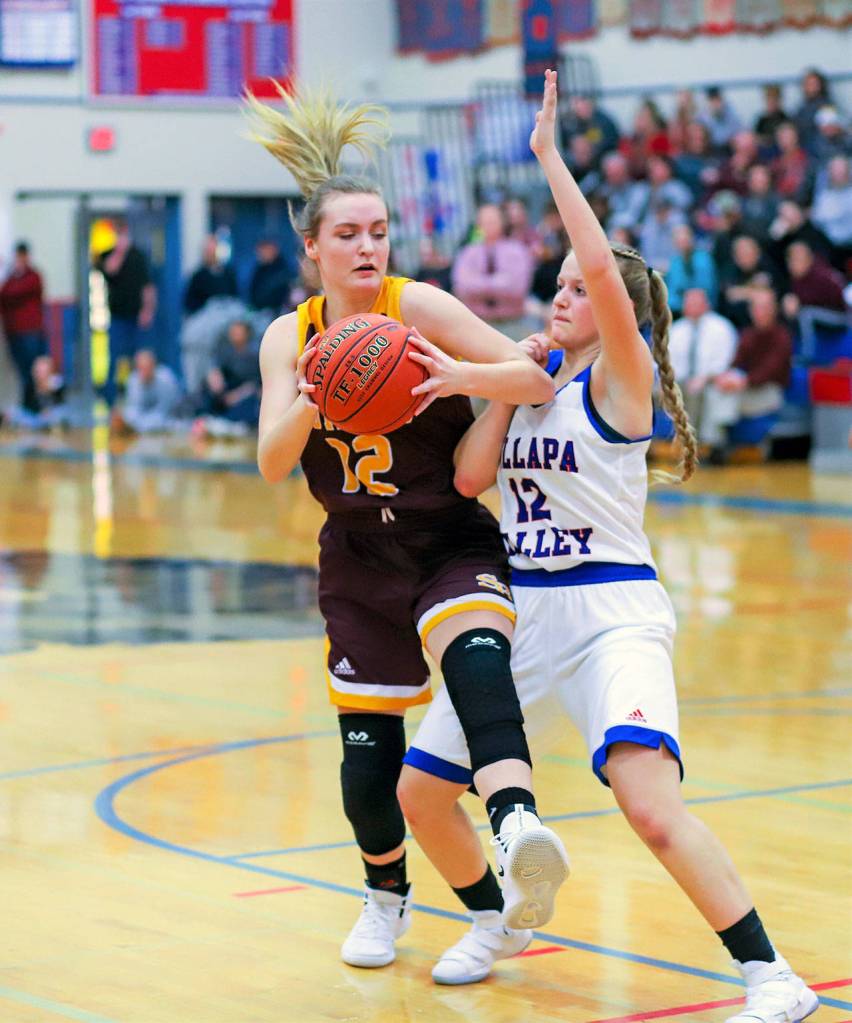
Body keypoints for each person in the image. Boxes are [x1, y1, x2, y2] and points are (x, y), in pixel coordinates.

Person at [400, 70, 818, 1020]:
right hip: (526, 610)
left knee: (648, 804)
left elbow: (599, 271)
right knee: (423, 792)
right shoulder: (534, 377)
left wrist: (549, 158)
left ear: (611, 311)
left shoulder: (619, 387)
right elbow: (471, 479)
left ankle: (771, 976)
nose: (558, 299)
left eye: (572, 292)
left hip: (612, 612)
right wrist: (504, 383)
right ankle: (501, 916)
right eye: (549, 290)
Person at [245, 83, 567, 976]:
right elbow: (275, 463)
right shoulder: (290, 337)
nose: (366, 246)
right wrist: (314, 395)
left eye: (378, 231)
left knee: (476, 665)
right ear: (311, 246)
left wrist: (455, 371)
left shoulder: (414, 306)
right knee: (369, 769)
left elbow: (532, 377)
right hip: (357, 556)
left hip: (445, 537)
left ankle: (516, 828)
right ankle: (390, 899)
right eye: (347, 234)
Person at [702, 289, 792, 461]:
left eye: (765, 307)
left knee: (726, 397)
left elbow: (770, 370)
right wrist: (725, 377)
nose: (761, 312)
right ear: (751, 311)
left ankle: (717, 444)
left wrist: (743, 381)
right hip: (746, 389)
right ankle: (715, 443)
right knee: (717, 390)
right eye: (757, 308)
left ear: (774, 310)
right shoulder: (748, 335)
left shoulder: (782, 336)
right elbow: (736, 362)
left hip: (771, 392)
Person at [96, 219, 157, 406]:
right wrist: (119, 252)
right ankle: (110, 398)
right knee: (114, 357)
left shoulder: (138, 256)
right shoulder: (108, 255)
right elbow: (110, 271)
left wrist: (148, 310)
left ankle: (136, 397)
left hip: (136, 317)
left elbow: (148, 286)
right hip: (117, 316)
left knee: (138, 357)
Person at [451, 203, 535, 340]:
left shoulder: (517, 251)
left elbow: (517, 288)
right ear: (478, 225)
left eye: (492, 221)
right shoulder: (468, 253)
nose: (488, 225)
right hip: (478, 324)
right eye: (484, 222)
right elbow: (462, 287)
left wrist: (478, 283)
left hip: (512, 322)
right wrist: (499, 282)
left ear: (502, 222)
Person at [667, 287, 737, 437]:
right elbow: (667, 362)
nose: (692, 306)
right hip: (680, 381)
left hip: (711, 380)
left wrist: (704, 378)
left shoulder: (721, 327)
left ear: (706, 304)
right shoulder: (676, 329)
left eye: (696, 303)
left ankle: (695, 442)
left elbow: (725, 362)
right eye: (689, 303)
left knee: (696, 391)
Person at [0, 242, 46, 399]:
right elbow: (4, 293)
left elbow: (13, 293)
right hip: (13, 331)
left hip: (30, 332)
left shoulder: (33, 277)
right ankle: (27, 404)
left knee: (33, 371)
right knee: (20, 371)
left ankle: (35, 405)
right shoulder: (11, 278)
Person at [111, 349, 182, 435]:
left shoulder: (166, 380)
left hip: (170, 417)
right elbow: (134, 408)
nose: (143, 372)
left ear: (153, 366)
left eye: (146, 367)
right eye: (140, 368)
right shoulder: (133, 380)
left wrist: (139, 425)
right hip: (145, 421)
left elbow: (165, 411)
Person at [184, 235, 239, 315]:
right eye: (208, 251)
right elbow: (189, 303)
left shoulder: (229, 274)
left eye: (213, 250)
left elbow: (235, 297)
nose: (210, 254)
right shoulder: (198, 276)